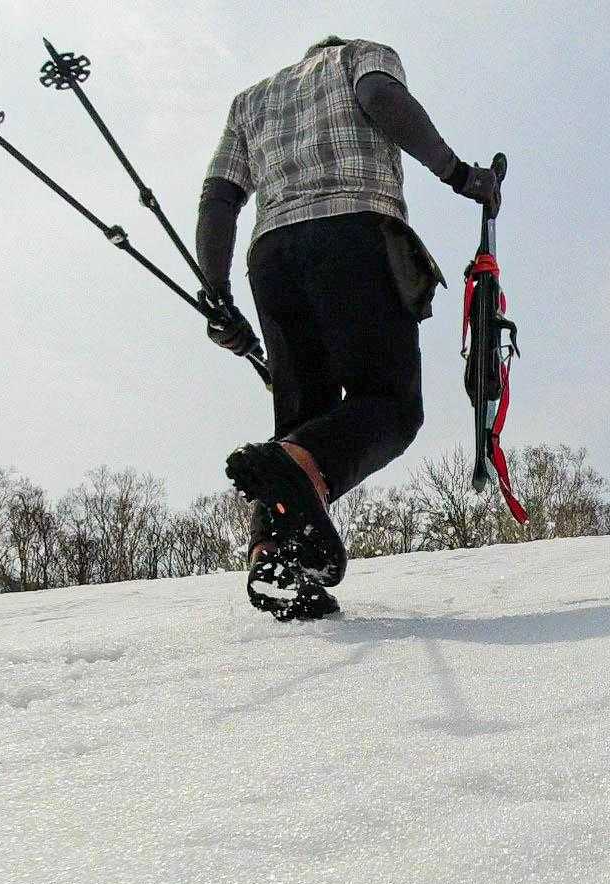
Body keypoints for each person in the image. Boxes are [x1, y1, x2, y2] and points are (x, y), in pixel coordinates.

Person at [197, 35, 500, 619]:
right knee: (389, 405)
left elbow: (219, 198)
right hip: (354, 233)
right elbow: (381, 97)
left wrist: (218, 296)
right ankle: (289, 505)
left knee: (303, 426)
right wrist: (460, 174)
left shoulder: (249, 101)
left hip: (273, 258)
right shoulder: (357, 54)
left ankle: (275, 558)